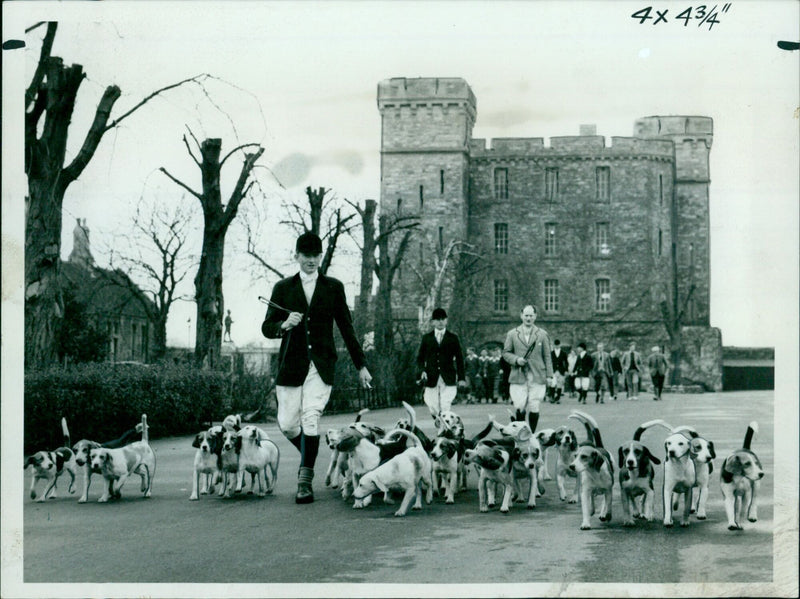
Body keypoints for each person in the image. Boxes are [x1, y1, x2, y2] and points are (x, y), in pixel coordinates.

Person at [261, 231, 372, 504]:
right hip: (290, 365)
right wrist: (284, 324)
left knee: (310, 419)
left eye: (315, 256)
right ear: (296, 256)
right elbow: (267, 327)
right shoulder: (283, 288)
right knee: (287, 424)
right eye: (306, 255)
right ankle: (309, 452)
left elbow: (347, 327)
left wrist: (361, 365)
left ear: (320, 257)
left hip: (321, 365)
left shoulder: (333, 287)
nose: (311, 260)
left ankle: (304, 481)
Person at [502, 304, 553, 434]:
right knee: (519, 406)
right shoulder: (512, 334)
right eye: (526, 315)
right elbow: (506, 353)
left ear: (535, 316)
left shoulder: (542, 334)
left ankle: (532, 434)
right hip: (518, 375)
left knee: (534, 405)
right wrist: (517, 360)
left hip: (537, 375)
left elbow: (547, 356)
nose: (528, 318)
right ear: (521, 316)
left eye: (531, 316)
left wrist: (549, 375)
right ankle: (520, 433)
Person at [416, 307, 466, 416]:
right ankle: (440, 422)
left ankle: (445, 429)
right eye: (437, 319)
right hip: (431, 376)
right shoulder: (427, 338)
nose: (440, 322)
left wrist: (461, 378)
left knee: (445, 404)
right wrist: (422, 371)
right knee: (433, 406)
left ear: (446, 320)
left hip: (448, 376)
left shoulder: (453, 338)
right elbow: (420, 358)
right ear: (433, 322)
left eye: (443, 319)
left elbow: (459, 359)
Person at [548, 338, 569, 403]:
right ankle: (552, 397)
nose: (557, 346)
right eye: (555, 345)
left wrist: (566, 370)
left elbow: (566, 362)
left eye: (558, 345)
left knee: (559, 384)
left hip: (561, 370)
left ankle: (558, 398)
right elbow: (549, 362)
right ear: (554, 345)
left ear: (560, 345)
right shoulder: (551, 353)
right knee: (553, 384)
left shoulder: (563, 353)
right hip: (553, 370)